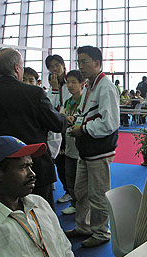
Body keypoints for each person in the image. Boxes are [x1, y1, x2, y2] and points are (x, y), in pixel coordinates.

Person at [0, 48, 67, 209]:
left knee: (5, 220)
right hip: (34, 169)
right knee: (41, 218)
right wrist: (64, 118)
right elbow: (56, 125)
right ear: (17, 68)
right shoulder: (34, 93)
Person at [64, 45, 120, 248]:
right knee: (80, 192)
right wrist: (77, 122)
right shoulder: (89, 86)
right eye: (79, 62)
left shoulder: (106, 87)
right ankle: (83, 226)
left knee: (98, 195)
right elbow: (88, 114)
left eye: (85, 61)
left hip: (99, 150)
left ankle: (101, 232)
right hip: (85, 150)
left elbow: (110, 123)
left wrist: (83, 128)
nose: (81, 66)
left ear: (97, 63)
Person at [45, 54, 71, 204]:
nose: (54, 69)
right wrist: (54, 89)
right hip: (57, 126)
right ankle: (68, 190)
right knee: (60, 161)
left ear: (63, 65)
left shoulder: (71, 81)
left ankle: (72, 192)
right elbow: (49, 105)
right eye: (51, 66)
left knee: (70, 161)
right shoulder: (52, 85)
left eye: (57, 65)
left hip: (69, 125)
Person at [61, 70, 85, 216]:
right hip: (69, 145)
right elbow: (62, 114)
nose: (70, 85)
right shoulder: (68, 101)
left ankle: (81, 206)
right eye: (68, 82)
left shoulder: (85, 101)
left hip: (80, 148)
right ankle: (74, 203)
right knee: (69, 178)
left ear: (82, 84)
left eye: (74, 82)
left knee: (80, 182)